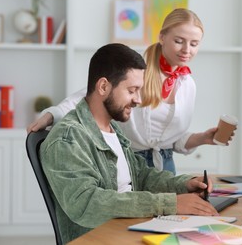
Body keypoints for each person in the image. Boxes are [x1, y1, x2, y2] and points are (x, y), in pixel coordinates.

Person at [40, 43, 218, 244]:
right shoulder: (68, 138)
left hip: (131, 228)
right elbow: (87, 204)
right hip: (102, 238)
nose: (139, 100)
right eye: (132, 90)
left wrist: (184, 183)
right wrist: (170, 203)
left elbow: (142, 176)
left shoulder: (113, 130)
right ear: (104, 87)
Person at [28, 8, 235, 174]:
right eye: (179, 41)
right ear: (162, 37)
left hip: (165, 165)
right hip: (130, 161)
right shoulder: (139, 71)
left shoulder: (188, 85)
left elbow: (172, 141)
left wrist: (204, 138)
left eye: (194, 44)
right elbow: (90, 96)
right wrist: (52, 114)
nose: (186, 50)